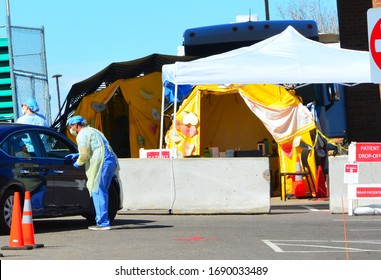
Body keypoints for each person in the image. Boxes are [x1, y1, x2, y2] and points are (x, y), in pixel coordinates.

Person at [65, 115, 119, 230]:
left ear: (76, 125)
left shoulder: (82, 135)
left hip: (101, 162)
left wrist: (78, 163)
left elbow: (85, 154)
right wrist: (78, 155)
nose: (71, 129)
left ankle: (102, 223)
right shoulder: (94, 130)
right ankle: (104, 220)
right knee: (103, 190)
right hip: (110, 160)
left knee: (97, 190)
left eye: (71, 126)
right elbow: (95, 147)